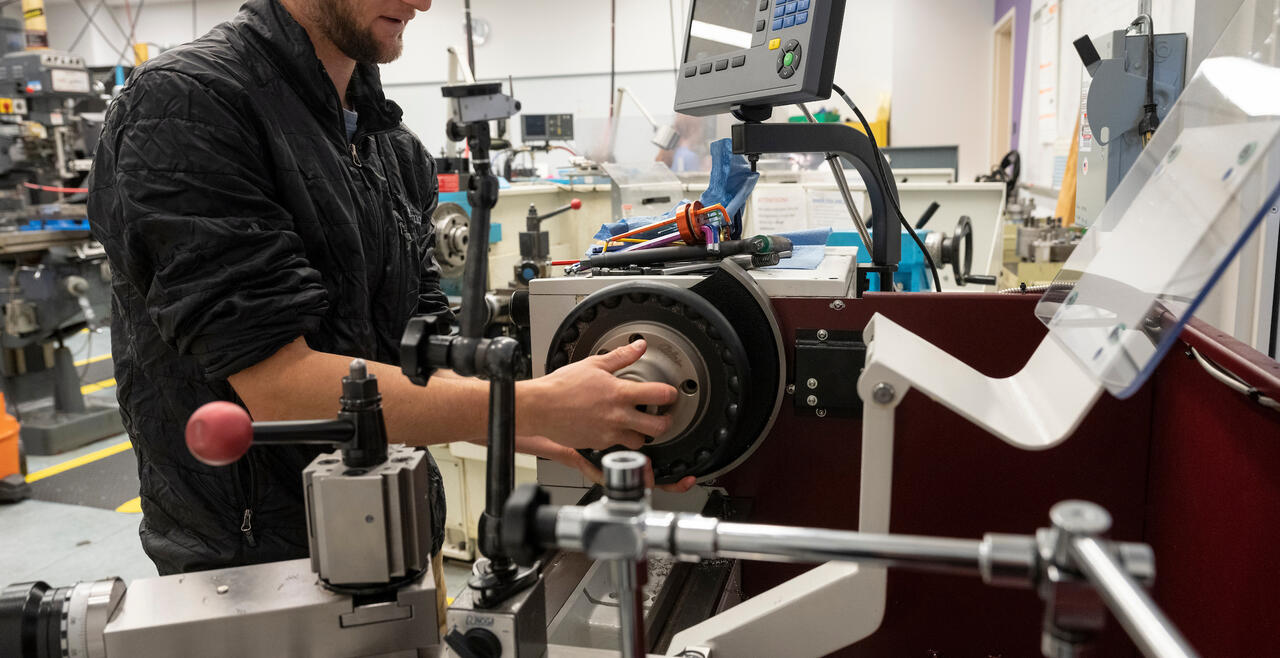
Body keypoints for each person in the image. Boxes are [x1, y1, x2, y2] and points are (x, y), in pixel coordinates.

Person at [88, 0, 695, 578]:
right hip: (260, 561)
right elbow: (279, 389)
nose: (422, 5)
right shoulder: (190, 104)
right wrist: (538, 403)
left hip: (401, 529)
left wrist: (572, 425)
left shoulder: (391, 148)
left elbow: (423, 360)